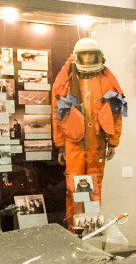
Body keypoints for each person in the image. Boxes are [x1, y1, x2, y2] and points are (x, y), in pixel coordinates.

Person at [51, 38, 127, 231]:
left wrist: (113, 142)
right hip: (74, 141)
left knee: (94, 186)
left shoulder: (107, 79)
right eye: (83, 54)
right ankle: (73, 228)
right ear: (77, 56)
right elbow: (58, 114)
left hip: (97, 140)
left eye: (90, 54)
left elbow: (116, 112)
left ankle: (92, 228)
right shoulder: (66, 79)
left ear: (97, 55)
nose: (87, 57)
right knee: (73, 187)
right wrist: (60, 145)